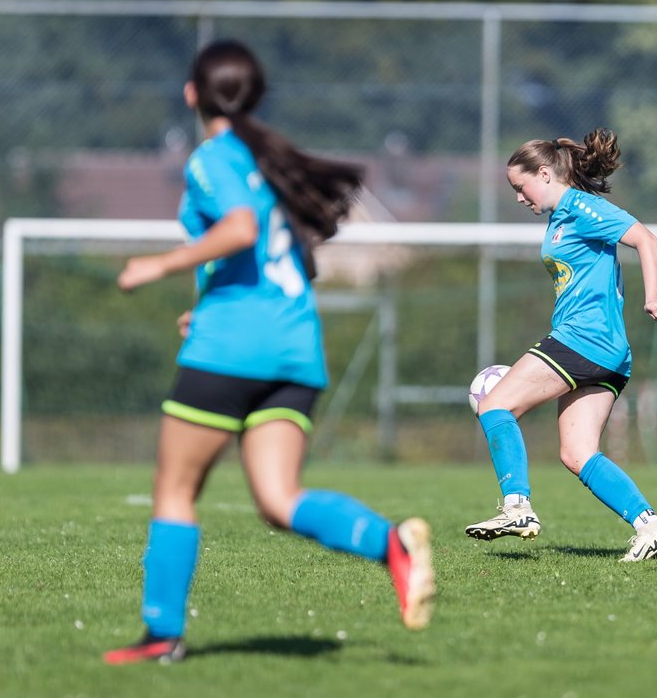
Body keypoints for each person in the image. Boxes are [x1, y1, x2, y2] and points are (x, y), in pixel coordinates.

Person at [102, 40, 434, 665]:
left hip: (233, 346)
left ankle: (160, 637)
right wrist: (209, 304)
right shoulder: (266, 163)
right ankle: (392, 545)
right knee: (279, 501)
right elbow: (277, 258)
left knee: (174, 490)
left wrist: (156, 266)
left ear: (192, 94)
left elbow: (240, 231)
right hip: (294, 346)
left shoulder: (214, 158)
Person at [463, 128, 657, 562]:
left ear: (543, 174)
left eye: (519, 187)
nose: (519, 198)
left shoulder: (582, 207)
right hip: (608, 352)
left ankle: (516, 507)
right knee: (577, 452)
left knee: (495, 406)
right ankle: (651, 526)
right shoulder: (561, 217)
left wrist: (651, 296)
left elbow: (646, 239)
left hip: (583, 339)